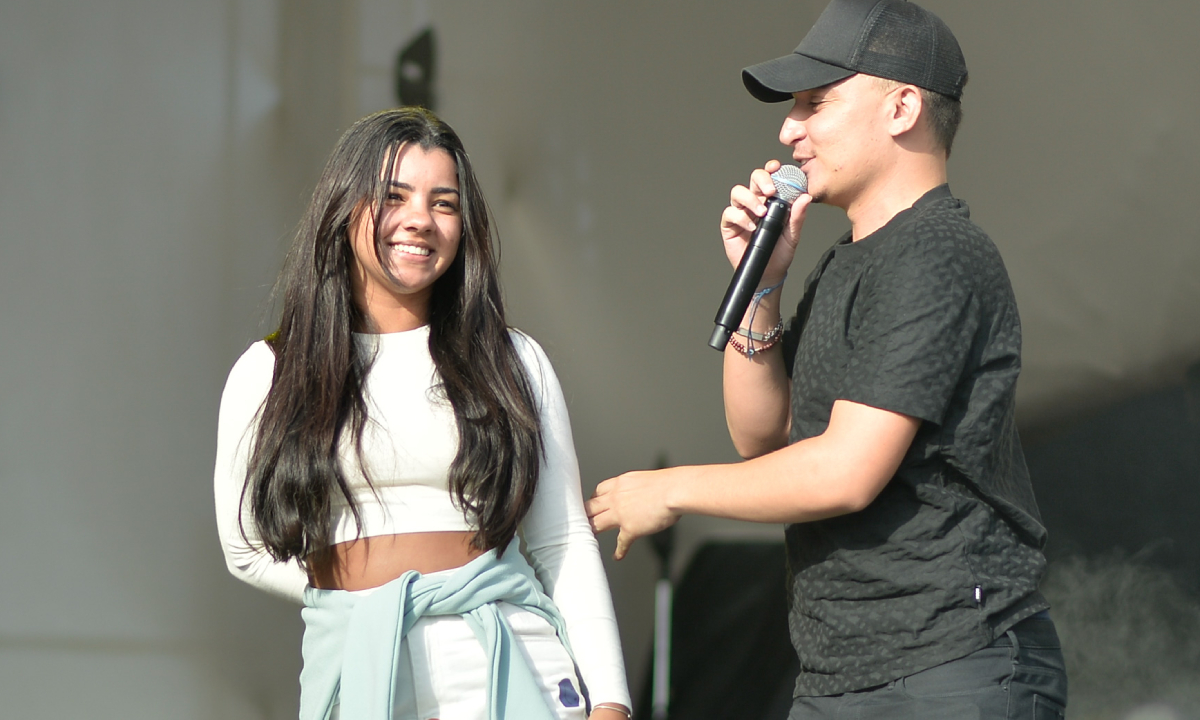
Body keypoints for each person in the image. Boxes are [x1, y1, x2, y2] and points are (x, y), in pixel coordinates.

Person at [586, 0, 1068, 716]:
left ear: (901, 106)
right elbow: (766, 439)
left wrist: (670, 489)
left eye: (815, 103)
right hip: (843, 672)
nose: (789, 130)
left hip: (950, 664)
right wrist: (763, 285)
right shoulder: (850, 261)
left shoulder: (935, 252)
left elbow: (845, 472)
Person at [214, 107, 631, 720]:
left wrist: (611, 703)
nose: (419, 220)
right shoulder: (271, 370)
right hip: (357, 665)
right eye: (394, 195)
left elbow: (562, 537)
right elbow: (245, 545)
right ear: (344, 207)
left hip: (512, 662)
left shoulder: (512, 359)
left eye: (444, 202)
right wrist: (364, 599)